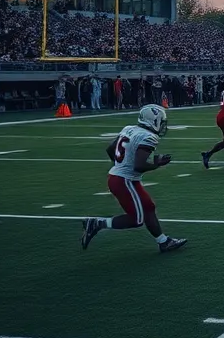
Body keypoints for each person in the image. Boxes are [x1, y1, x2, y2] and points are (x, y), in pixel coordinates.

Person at [80, 104, 187, 253]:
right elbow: (139, 165)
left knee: (148, 207)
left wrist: (120, 165)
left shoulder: (129, 128)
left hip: (121, 178)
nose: (163, 125)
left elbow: (110, 149)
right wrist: (157, 165)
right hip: (125, 181)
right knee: (136, 220)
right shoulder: (149, 137)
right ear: (153, 121)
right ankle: (97, 223)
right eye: (161, 121)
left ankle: (164, 242)